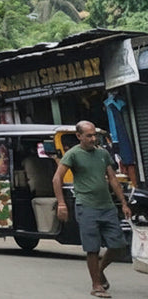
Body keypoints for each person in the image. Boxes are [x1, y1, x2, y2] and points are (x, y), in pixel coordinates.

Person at [53, 121, 131, 298]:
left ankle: (100, 270)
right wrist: (62, 204)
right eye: (89, 135)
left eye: (94, 135)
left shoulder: (102, 153)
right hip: (86, 206)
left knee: (118, 245)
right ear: (79, 136)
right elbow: (57, 179)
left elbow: (112, 179)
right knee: (92, 248)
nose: (93, 138)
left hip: (107, 206)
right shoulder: (73, 155)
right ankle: (96, 285)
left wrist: (124, 203)